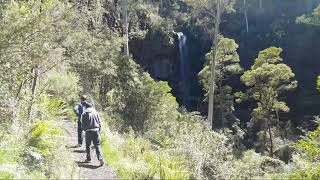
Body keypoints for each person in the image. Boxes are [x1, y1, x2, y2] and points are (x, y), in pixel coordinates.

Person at [81, 100, 104, 166]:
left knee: (88, 145)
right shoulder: (96, 113)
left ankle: (88, 159)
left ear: (86, 107)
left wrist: (85, 130)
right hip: (96, 130)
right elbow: (99, 122)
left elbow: (83, 124)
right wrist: (99, 129)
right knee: (97, 145)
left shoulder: (84, 113)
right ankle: (100, 158)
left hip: (88, 131)